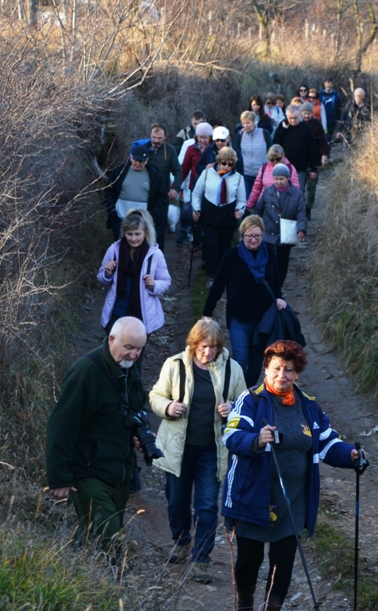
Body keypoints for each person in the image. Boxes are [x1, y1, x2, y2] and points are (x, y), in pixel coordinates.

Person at [222, 340, 363, 611]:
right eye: (276, 368)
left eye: (288, 369)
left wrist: (351, 455)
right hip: (252, 496)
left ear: (297, 373)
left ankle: (271, 608)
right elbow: (232, 435)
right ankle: (246, 604)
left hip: (293, 501)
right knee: (250, 561)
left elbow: (327, 442)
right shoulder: (251, 400)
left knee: (283, 561)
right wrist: (256, 440)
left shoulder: (308, 406)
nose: (282, 375)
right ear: (266, 368)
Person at [150, 317, 247, 583]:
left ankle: (201, 559)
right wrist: (168, 407)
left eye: (214, 347)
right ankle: (181, 541)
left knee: (206, 505)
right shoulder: (174, 365)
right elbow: (156, 395)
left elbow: (246, 403)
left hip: (212, 451)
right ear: (194, 344)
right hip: (178, 448)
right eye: (204, 346)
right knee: (177, 500)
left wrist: (233, 409)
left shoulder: (232, 369)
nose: (208, 352)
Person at [46, 317, 150, 552]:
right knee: (110, 545)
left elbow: (135, 409)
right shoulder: (86, 372)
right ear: (111, 339)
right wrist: (59, 477)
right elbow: (61, 425)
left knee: (93, 542)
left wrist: (138, 435)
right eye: (129, 347)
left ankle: (74, 568)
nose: (134, 355)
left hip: (120, 475)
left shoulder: (129, 369)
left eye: (139, 349)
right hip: (89, 474)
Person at [202, 215, 284, 387]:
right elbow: (218, 285)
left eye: (258, 236)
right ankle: (235, 395)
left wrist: (279, 298)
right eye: (249, 236)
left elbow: (275, 280)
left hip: (263, 321)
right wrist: (207, 313)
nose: (254, 240)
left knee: (255, 366)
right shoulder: (232, 255)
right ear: (242, 235)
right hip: (239, 318)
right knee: (240, 361)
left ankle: (245, 395)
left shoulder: (270, 253)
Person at [97, 209, 171, 337]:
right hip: (116, 311)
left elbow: (166, 281)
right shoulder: (114, 250)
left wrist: (154, 284)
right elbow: (101, 278)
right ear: (124, 232)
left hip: (142, 313)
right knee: (113, 348)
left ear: (145, 232)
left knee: (135, 349)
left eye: (137, 234)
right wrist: (107, 274)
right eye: (129, 234)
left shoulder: (155, 254)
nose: (133, 238)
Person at [192, 147, 247, 278]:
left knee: (225, 246)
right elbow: (196, 193)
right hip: (209, 214)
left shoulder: (239, 178)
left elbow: (242, 200)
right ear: (218, 161)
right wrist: (196, 209)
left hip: (228, 217)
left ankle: (222, 275)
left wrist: (240, 210)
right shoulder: (207, 173)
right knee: (212, 245)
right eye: (224, 163)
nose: (226, 166)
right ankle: (211, 274)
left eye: (230, 164)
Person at [104, 142, 172, 247]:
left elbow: (162, 197)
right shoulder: (119, 171)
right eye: (135, 160)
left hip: (144, 219)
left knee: (141, 247)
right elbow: (108, 190)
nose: (137, 164)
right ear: (131, 157)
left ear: (147, 160)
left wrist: (152, 216)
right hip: (120, 216)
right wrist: (112, 210)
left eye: (141, 161)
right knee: (121, 247)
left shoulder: (155, 175)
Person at [128, 124, 181, 251]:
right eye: (154, 137)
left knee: (159, 228)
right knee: (141, 225)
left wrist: (176, 188)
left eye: (159, 138)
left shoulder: (170, 150)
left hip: (162, 195)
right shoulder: (143, 149)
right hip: (144, 194)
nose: (156, 141)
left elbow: (178, 170)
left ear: (165, 137)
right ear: (150, 135)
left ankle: (157, 256)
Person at [253, 163, 306, 285]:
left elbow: (301, 213)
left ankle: (278, 285)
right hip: (268, 232)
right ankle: (267, 285)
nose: (278, 182)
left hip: (286, 235)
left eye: (281, 179)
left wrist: (301, 229)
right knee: (267, 261)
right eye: (276, 179)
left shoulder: (297, 194)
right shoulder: (268, 191)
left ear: (288, 178)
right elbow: (259, 210)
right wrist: (256, 226)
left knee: (282, 262)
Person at [272, 104, 318, 190]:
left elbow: (312, 149)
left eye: (295, 118)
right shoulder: (283, 126)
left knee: (298, 192)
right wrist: (284, 129)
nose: (293, 120)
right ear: (286, 116)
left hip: (300, 168)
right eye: (290, 118)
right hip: (283, 167)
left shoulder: (306, 129)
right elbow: (276, 143)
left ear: (300, 115)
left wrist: (313, 169)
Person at [233, 110, 274, 197]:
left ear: (254, 121)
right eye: (243, 123)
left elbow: (271, 152)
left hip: (262, 174)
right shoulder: (240, 136)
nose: (246, 126)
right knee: (247, 199)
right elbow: (236, 155)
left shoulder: (264, 133)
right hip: (246, 174)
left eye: (248, 123)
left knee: (261, 200)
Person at [247, 145, 300, 210]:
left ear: (283, 156)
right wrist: (250, 204)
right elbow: (256, 188)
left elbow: (295, 189)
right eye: (272, 159)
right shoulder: (264, 168)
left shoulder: (290, 168)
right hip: (265, 204)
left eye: (278, 159)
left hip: (284, 205)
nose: (275, 161)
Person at [300, 102, 329, 219]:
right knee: (299, 188)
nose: (306, 116)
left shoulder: (316, 124)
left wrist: (324, 155)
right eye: (304, 113)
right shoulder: (298, 124)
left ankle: (308, 208)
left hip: (314, 161)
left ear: (312, 114)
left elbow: (322, 141)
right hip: (301, 161)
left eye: (308, 113)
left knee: (311, 188)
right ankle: (300, 209)